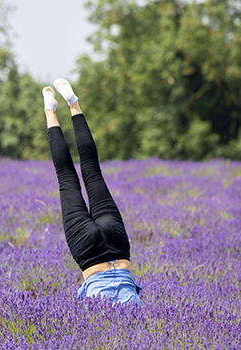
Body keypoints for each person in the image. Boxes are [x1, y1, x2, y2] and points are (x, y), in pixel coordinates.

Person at [42, 78, 141, 305]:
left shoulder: (133, 309)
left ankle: (73, 103)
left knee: (92, 170)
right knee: (66, 178)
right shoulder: (101, 315)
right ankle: (50, 110)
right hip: (89, 252)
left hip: (117, 241)